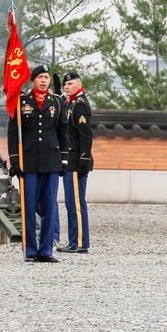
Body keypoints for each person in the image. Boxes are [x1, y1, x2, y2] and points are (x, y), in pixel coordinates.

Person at [8, 64, 68, 263]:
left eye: (46, 77)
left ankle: (45, 250)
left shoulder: (57, 102)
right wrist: (15, 160)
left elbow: (63, 132)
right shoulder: (21, 101)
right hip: (29, 161)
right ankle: (30, 249)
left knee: (50, 206)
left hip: (51, 161)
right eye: (40, 77)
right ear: (32, 80)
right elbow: (12, 134)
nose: (44, 81)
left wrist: (64, 159)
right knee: (28, 205)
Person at [57, 72, 93, 254]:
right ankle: (73, 240)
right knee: (71, 203)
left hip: (76, 161)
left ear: (79, 85)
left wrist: (84, 160)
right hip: (69, 161)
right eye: (65, 84)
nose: (66, 87)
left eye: (70, 84)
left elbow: (86, 136)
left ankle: (80, 242)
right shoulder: (69, 103)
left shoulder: (80, 106)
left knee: (77, 204)